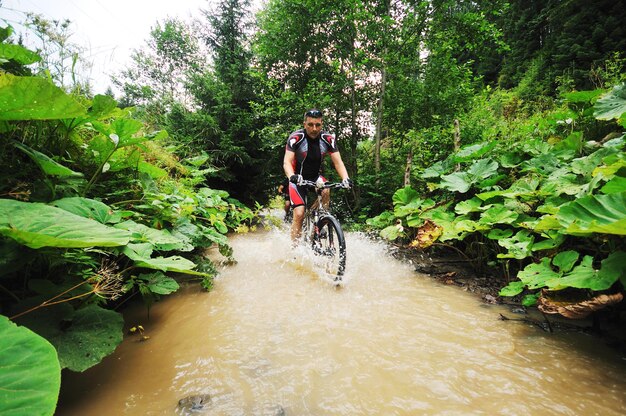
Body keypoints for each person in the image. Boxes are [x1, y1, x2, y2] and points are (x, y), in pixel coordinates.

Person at [283, 109, 352, 243]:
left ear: (322, 124)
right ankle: (295, 250)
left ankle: (319, 223)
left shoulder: (328, 139)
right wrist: (292, 176)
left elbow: (338, 162)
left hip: (315, 177)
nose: (314, 129)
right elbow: (287, 162)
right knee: (299, 213)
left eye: (318, 125)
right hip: (297, 179)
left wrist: (345, 178)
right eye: (310, 125)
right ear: (304, 124)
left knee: (326, 189)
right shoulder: (296, 138)